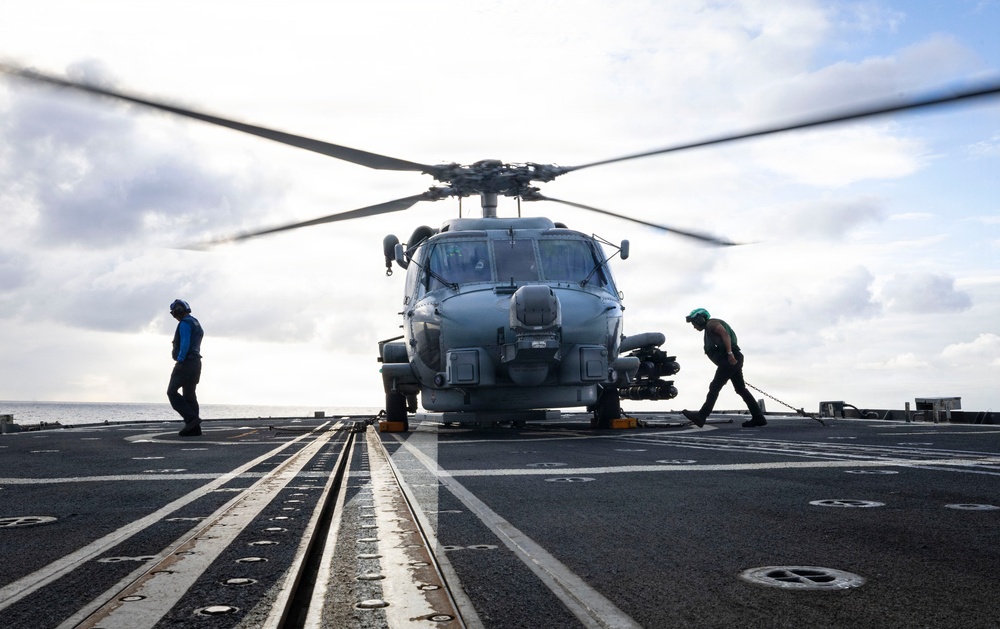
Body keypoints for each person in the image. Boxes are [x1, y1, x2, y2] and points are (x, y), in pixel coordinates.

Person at [681, 308, 767, 428]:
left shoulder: (712, 324)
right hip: (732, 359)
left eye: (694, 323)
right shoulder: (709, 328)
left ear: (700, 319)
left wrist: (729, 353)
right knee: (740, 389)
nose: (694, 326)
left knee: (715, 386)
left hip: (730, 359)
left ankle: (701, 416)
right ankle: (758, 417)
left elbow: (724, 334)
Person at [167, 299, 204, 436]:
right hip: (196, 363)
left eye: (174, 313)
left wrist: (180, 360)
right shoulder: (196, 322)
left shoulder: (184, 324)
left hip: (186, 362)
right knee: (189, 394)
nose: (174, 316)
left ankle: (191, 419)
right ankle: (195, 429)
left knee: (171, 392)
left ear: (178, 310)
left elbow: (185, 343)